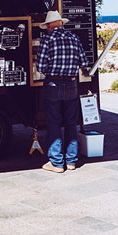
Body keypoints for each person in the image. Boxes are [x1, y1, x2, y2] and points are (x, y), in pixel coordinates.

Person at [35, 10, 89, 173]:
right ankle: (71, 161)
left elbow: (41, 66)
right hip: (72, 85)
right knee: (71, 123)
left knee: (54, 123)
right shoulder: (74, 38)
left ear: (50, 25)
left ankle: (57, 163)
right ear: (61, 23)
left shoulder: (47, 39)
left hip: (53, 84)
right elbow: (83, 62)